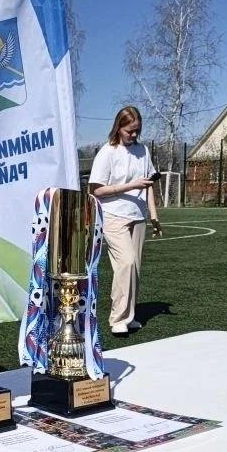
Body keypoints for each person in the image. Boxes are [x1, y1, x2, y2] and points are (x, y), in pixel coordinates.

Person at [89, 105, 163, 336]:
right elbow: (96, 190)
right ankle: (118, 318)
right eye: (129, 130)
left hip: (138, 216)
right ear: (118, 127)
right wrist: (131, 186)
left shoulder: (143, 150)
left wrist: (154, 216)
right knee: (126, 263)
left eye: (137, 130)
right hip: (113, 215)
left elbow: (148, 185)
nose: (134, 134)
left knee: (135, 268)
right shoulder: (107, 152)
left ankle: (129, 317)